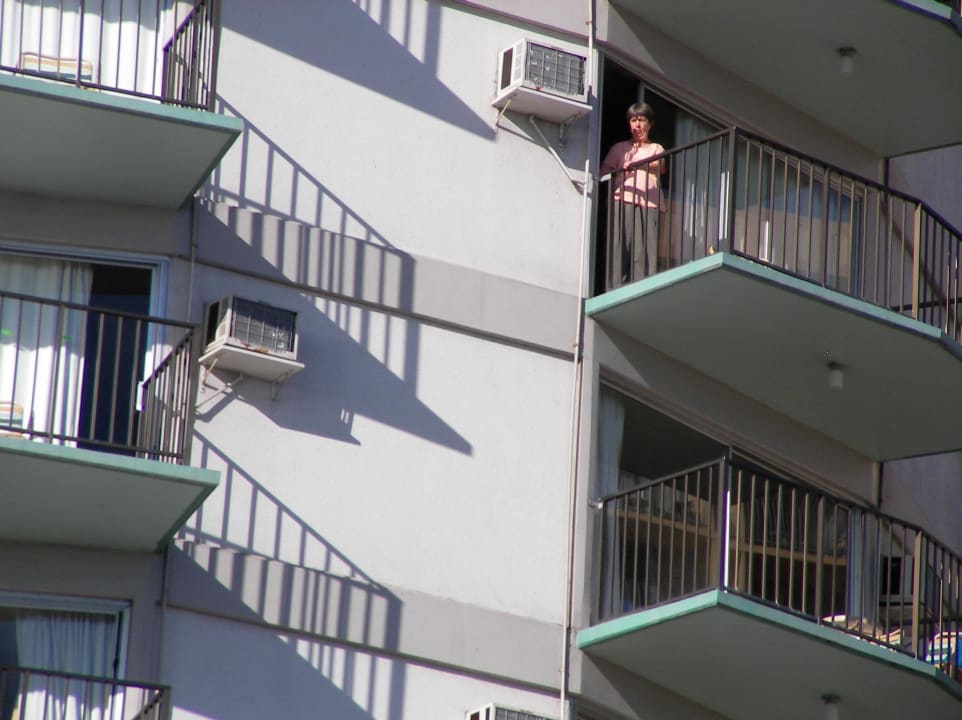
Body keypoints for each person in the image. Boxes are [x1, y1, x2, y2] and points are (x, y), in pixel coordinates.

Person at [600, 102, 666, 284]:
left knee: (644, 250)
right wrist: (620, 169)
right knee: (619, 245)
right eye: (633, 120)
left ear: (650, 124)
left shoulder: (656, 148)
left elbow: (660, 165)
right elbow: (603, 172)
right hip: (622, 199)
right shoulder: (620, 149)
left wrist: (637, 165)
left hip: (649, 203)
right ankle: (616, 287)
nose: (637, 125)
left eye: (641, 120)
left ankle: (642, 287)